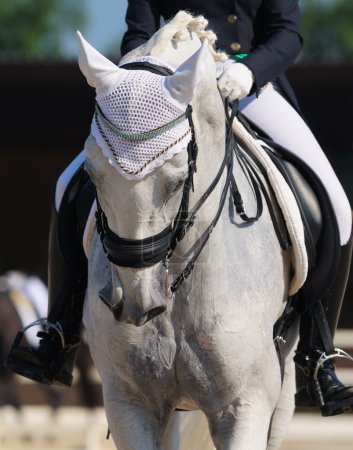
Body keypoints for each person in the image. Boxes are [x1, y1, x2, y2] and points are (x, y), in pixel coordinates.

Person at [5, 0, 353, 416]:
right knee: (68, 185)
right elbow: (138, 31)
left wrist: (248, 70)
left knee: (336, 201)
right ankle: (60, 334)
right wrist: (147, 71)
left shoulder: (249, 72)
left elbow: (286, 33)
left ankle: (317, 353)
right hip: (164, 91)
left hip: (246, 86)